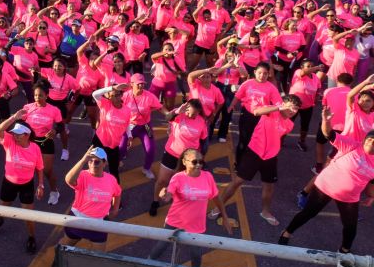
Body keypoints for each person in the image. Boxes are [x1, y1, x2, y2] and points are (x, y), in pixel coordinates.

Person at [279, 107, 374, 253]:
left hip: (349, 197)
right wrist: (326, 120)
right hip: (326, 186)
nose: (371, 142)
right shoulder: (352, 146)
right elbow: (328, 134)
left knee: (350, 226)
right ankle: (286, 233)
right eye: (369, 139)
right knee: (309, 213)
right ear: (365, 140)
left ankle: (344, 252)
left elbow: (371, 182)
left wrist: (371, 196)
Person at [211, 95, 302, 227]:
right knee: (237, 181)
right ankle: (218, 207)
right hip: (254, 152)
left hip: (270, 157)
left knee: (269, 186)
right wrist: (279, 107)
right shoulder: (271, 112)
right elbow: (257, 112)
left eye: (296, 109)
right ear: (283, 104)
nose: (293, 111)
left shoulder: (289, 125)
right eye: (290, 107)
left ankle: (265, 212)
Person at [148, 148, 232, 267]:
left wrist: (225, 217)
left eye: (201, 162)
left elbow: (216, 198)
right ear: (184, 162)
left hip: (196, 224)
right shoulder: (178, 178)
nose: (198, 165)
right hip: (175, 221)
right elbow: (168, 195)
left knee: (196, 254)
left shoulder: (208, 176)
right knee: (161, 246)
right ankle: (146, 264)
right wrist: (164, 194)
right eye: (194, 162)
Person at [0, 112, 45, 253]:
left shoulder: (35, 148)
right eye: (14, 133)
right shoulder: (9, 142)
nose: (15, 136)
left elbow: (40, 167)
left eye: (18, 134)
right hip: (9, 183)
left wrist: (41, 185)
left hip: (27, 185)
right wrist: (13, 118)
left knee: (28, 215)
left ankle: (31, 237)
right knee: (3, 209)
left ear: (27, 135)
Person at [149, 100, 208, 217]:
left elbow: (204, 141)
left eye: (194, 114)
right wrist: (176, 111)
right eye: (188, 113)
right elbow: (167, 118)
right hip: (171, 154)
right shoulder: (179, 115)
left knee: (181, 184)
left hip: (187, 160)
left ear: (199, 112)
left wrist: (201, 159)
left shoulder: (202, 122)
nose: (190, 116)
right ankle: (155, 202)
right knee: (162, 181)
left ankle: (178, 206)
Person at [58, 147, 121, 251]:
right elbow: (68, 180)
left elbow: (117, 193)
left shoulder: (111, 179)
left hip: (99, 223)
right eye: (90, 161)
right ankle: (58, 261)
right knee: (65, 246)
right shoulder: (83, 175)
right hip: (78, 220)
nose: (92, 164)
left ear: (104, 163)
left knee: (98, 256)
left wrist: (115, 209)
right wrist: (83, 160)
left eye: (96, 162)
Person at [119, 73, 164, 180]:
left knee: (151, 149)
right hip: (129, 126)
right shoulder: (125, 96)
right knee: (121, 148)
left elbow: (160, 107)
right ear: (131, 84)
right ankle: (117, 162)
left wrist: (168, 114)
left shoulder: (149, 96)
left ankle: (146, 168)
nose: (141, 86)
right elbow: (117, 108)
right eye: (138, 84)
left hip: (144, 127)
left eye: (143, 84)